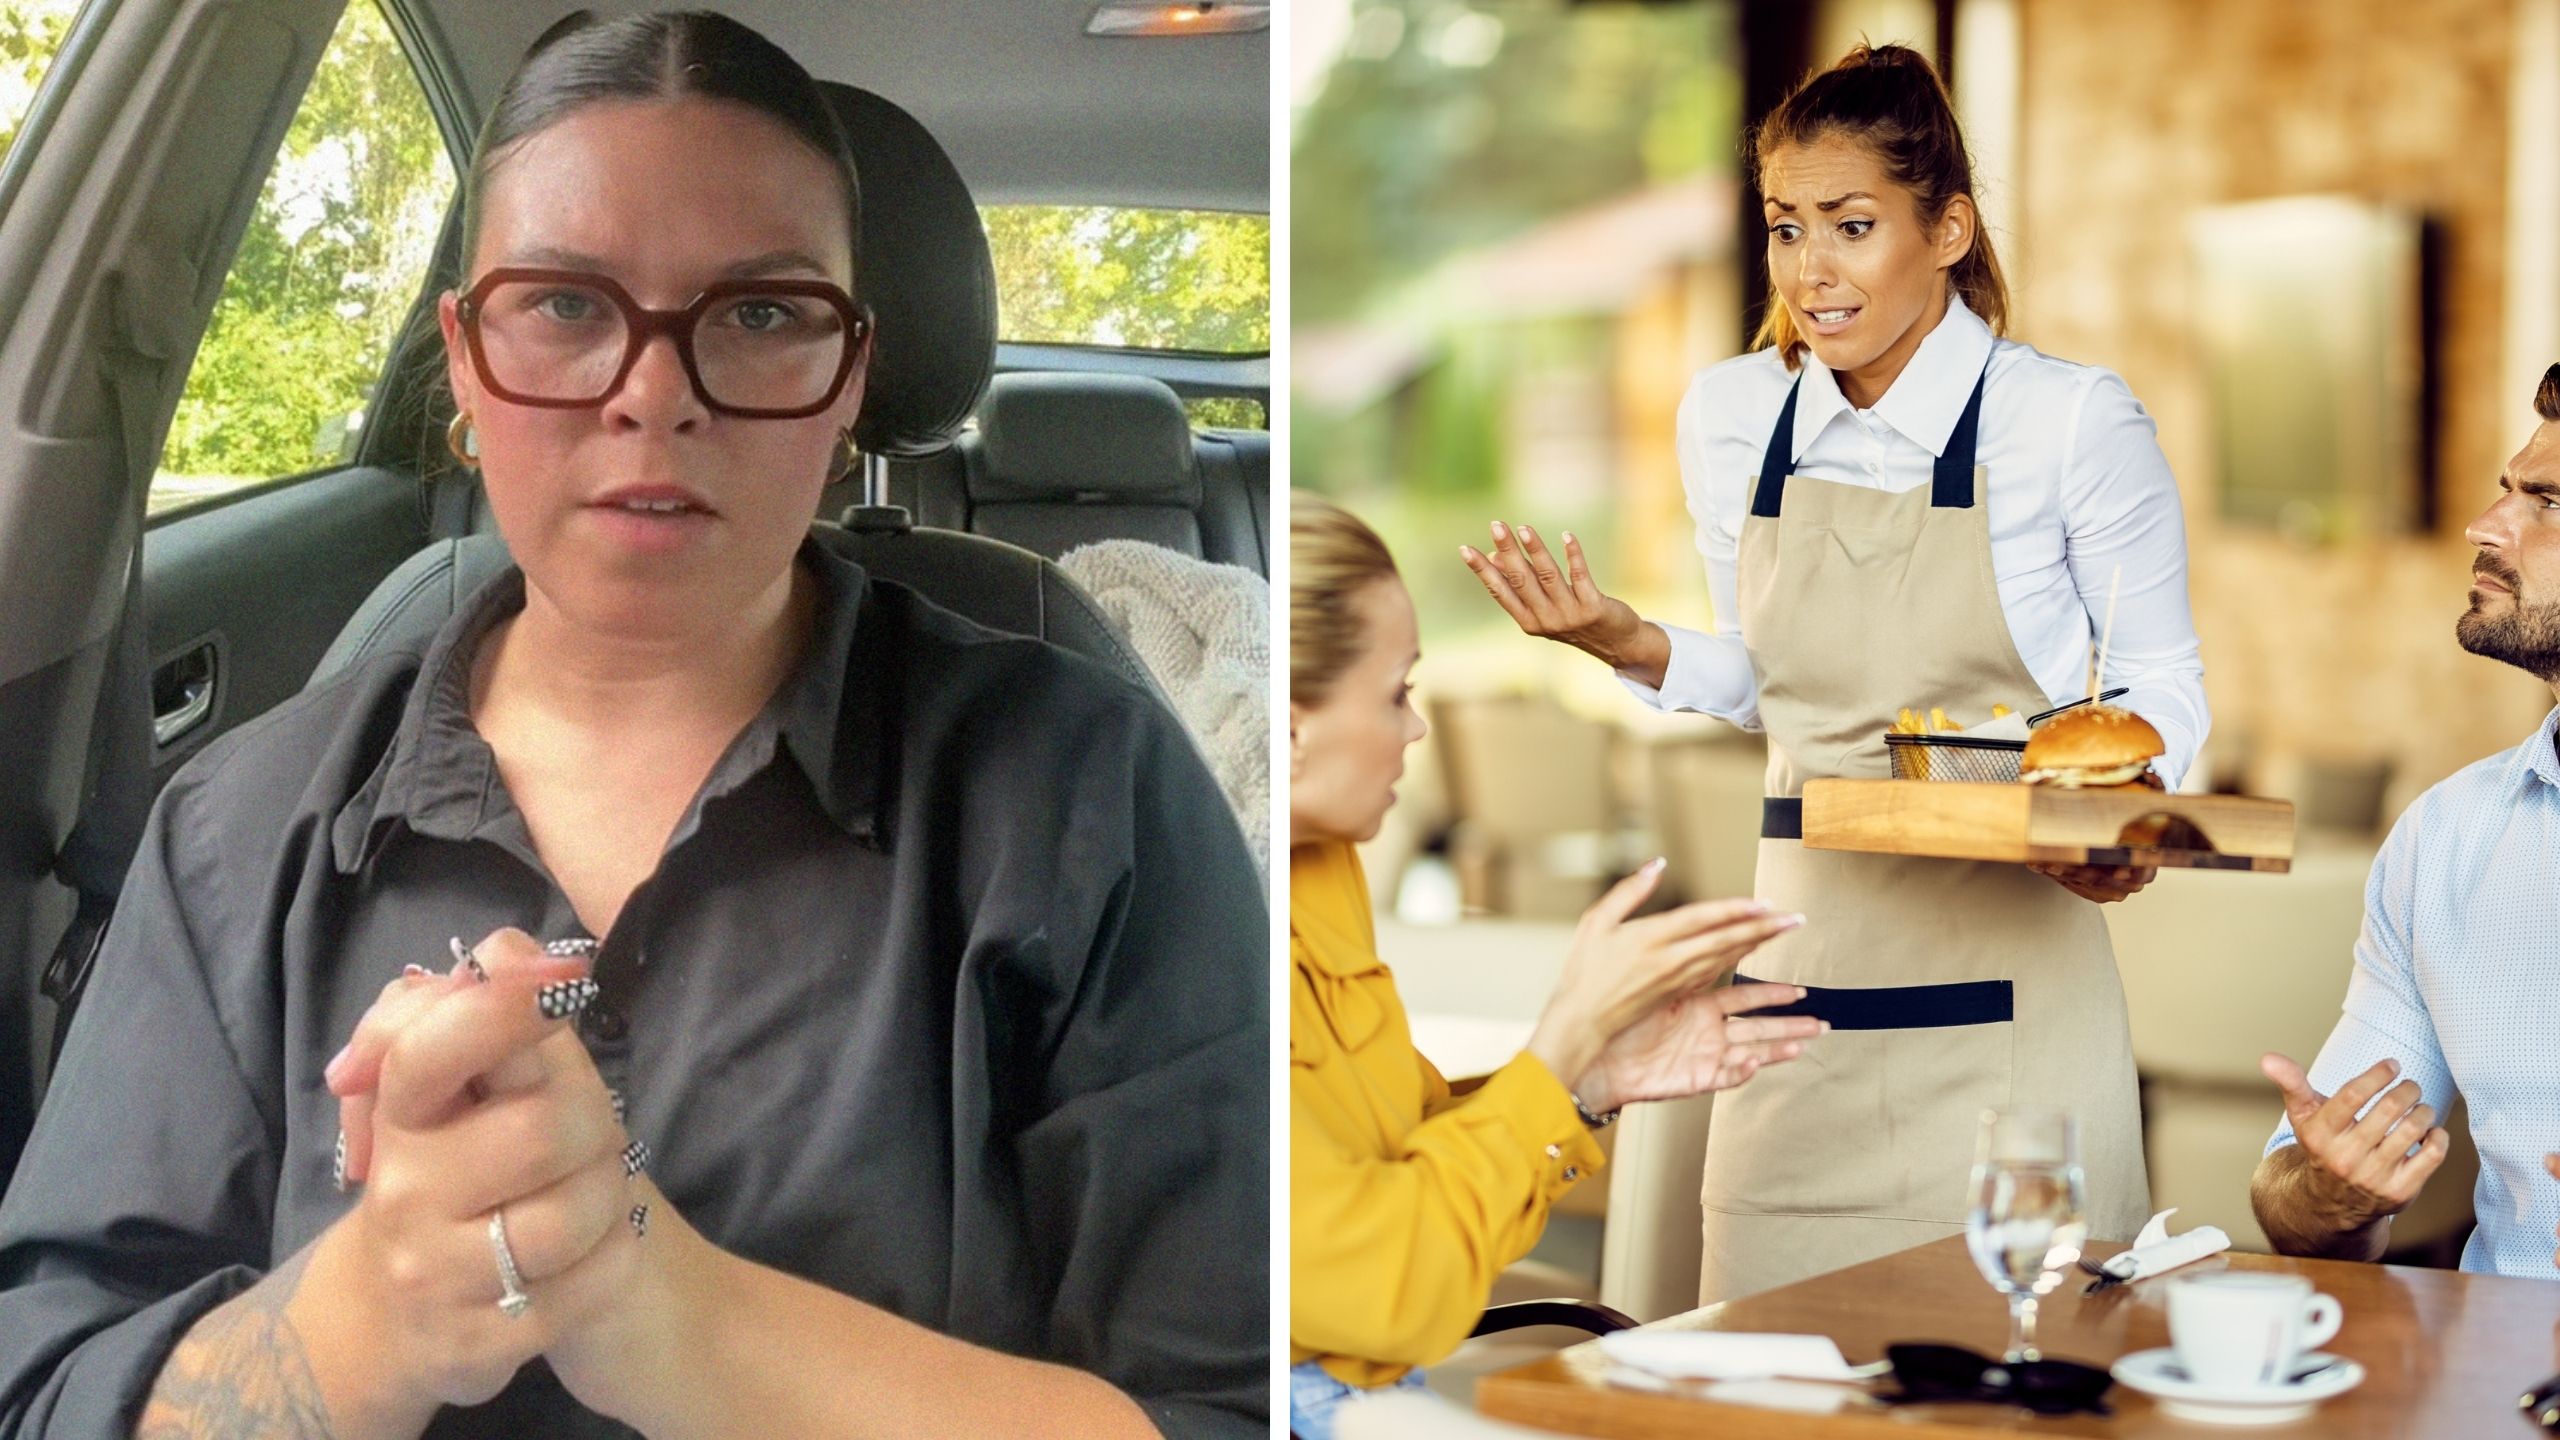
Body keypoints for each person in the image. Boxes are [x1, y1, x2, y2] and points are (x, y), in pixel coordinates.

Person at [0, 13, 1265, 1438]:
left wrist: (679, 1320)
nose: (653, 396)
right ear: (466, 361)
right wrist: (360, 1321)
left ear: (849, 378)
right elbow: (48, 1388)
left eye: (763, 313)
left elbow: (1219, 1405)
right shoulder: (237, 836)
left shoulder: (1094, 795)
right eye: (564, 306)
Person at [1458, 43, 2210, 1303]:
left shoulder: (2069, 421)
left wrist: (2116, 823)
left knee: (2019, 1391)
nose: (1812, 270)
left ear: (1948, 229)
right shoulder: (1731, 415)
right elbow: (1777, 685)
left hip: (2016, 1027)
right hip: (1797, 1015)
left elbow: (2162, 686)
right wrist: (1620, 640)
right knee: (1763, 1382)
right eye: (1785, 229)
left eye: (1853, 227)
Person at [1288, 496, 1823, 1439]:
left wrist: (1586, 1080)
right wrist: (1567, 1028)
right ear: (1290, 733)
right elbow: (1386, 1289)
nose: (1417, 732)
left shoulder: (1318, 868)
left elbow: (1398, 1155)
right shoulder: (1210, 931)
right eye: (1396, 693)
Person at [2251, 364, 2560, 1278]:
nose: (2487, 526)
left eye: (2546, 503)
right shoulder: (2449, 838)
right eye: (2509, 489)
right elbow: (2291, 1201)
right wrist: (2335, 1190)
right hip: (2500, 1394)